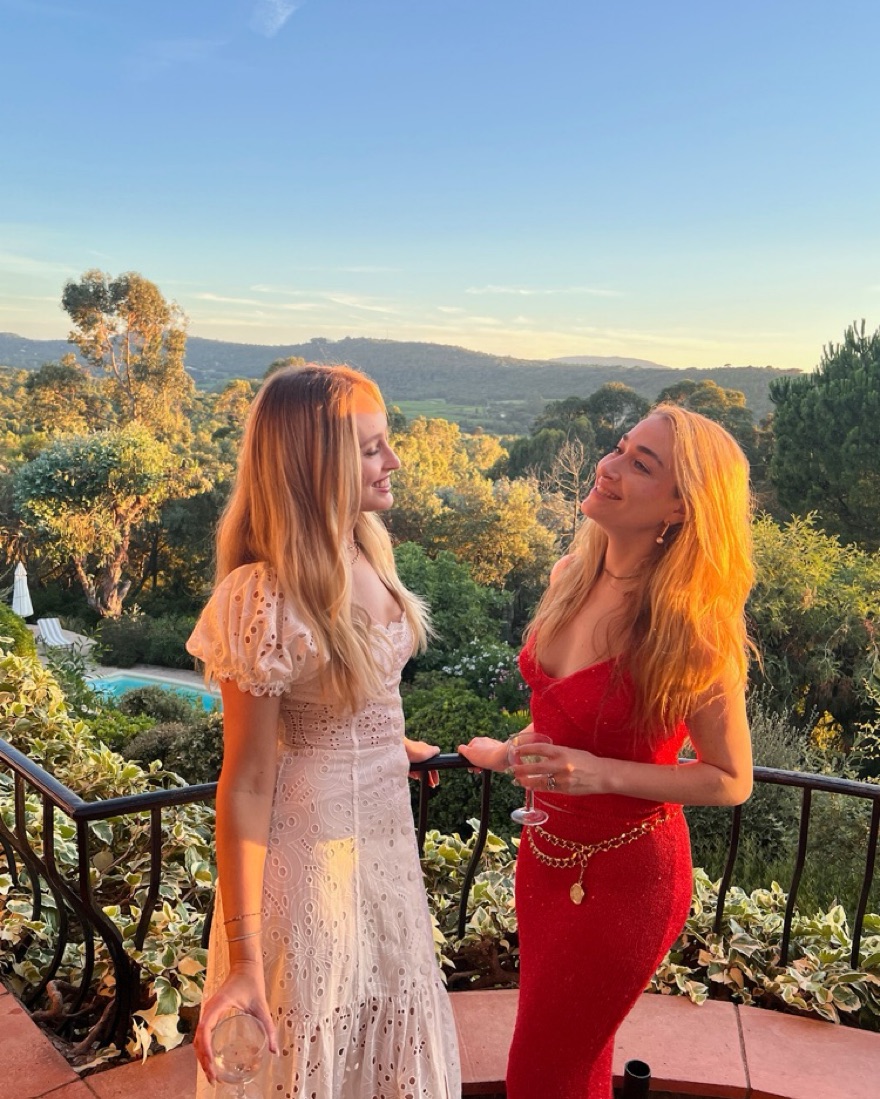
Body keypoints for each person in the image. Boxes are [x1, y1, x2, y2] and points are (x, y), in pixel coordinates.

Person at [459, 405, 755, 1099]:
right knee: (575, 1063)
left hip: (628, 878)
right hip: (546, 857)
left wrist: (599, 774)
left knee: (541, 1073)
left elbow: (731, 778)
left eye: (640, 463)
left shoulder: (690, 626)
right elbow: (567, 722)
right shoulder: (570, 574)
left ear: (681, 507)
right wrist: (508, 753)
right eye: (619, 448)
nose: (609, 466)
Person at [187, 364, 460, 1099]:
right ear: (317, 465)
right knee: (311, 1040)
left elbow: (349, 696)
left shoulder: (369, 546)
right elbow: (246, 781)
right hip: (306, 867)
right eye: (371, 449)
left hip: (383, 851)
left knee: (381, 1038)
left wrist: (385, 742)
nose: (393, 461)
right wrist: (244, 960)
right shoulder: (262, 593)